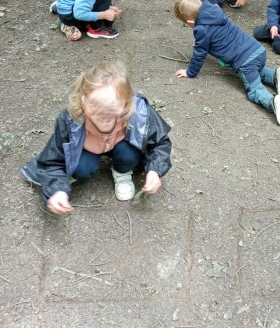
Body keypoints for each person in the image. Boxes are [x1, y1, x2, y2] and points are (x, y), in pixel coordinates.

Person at [21, 61, 172, 215]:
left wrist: (155, 170)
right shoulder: (71, 121)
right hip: (86, 150)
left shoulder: (139, 113)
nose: (105, 117)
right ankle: (72, 173)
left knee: (130, 155)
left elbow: (160, 142)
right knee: (82, 167)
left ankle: (122, 171)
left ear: (126, 104)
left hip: (122, 146)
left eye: (111, 111)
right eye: (97, 110)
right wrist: (57, 189)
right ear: (83, 102)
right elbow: (52, 159)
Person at [174, 0, 280, 126]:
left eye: (185, 24)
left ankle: (273, 101)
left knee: (254, 90)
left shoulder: (201, 29)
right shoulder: (214, 11)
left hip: (245, 61)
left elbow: (199, 53)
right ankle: (275, 75)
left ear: (190, 21)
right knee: (256, 69)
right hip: (257, 50)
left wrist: (190, 72)